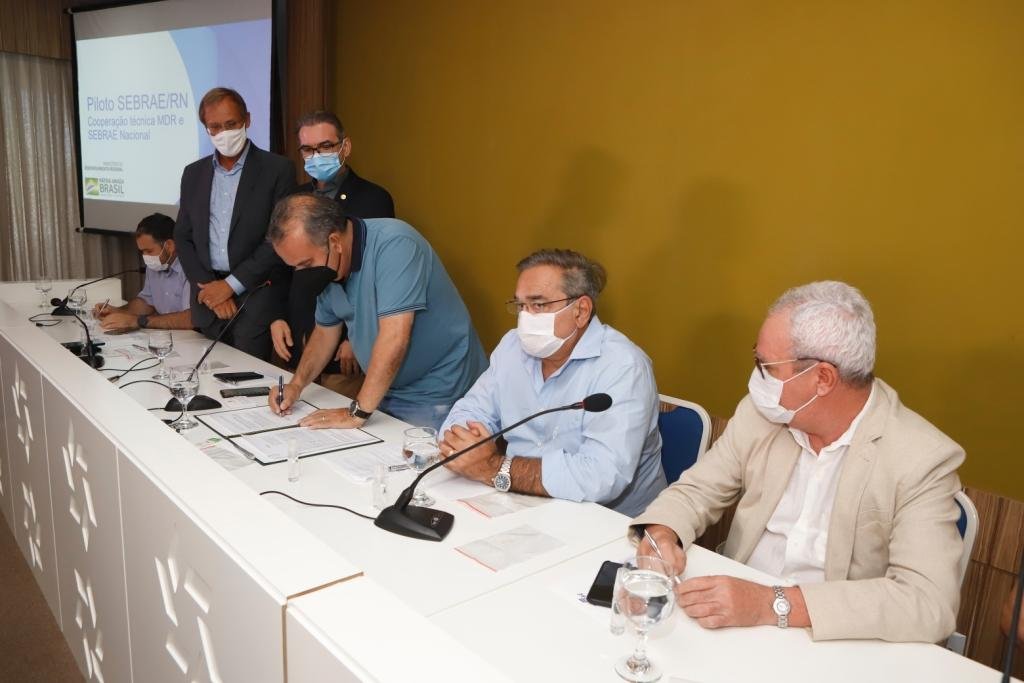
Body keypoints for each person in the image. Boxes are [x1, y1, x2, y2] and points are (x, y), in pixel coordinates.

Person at [632, 281, 965, 643]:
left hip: (830, 640)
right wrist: (663, 533)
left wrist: (770, 603)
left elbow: (927, 602)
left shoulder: (920, 458)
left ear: (822, 378)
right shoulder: (762, 414)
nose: (756, 378)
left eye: (766, 366)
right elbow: (696, 491)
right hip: (732, 624)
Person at [438, 249, 666, 517]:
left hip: (608, 521)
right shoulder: (512, 346)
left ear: (581, 311)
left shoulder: (623, 366)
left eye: (538, 305)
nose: (525, 317)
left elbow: (600, 477)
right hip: (518, 502)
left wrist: (493, 467)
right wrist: (464, 445)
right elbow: (469, 412)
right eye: (521, 305)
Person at [267, 194, 486, 431]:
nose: (301, 273)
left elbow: (395, 336)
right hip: (385, 390)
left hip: (439, 393)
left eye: (306, 264)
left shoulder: (396, 244)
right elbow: (324, 333)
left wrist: (357, 413)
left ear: (335, 242)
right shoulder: (330, 266)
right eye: (295, 267)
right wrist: (296, 385)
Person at [271, 111, 395, 398]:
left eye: (325, 146)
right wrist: (276, 316)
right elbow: (280, 266)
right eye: (308, 149)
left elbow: (376, 276)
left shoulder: (373, 198)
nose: (316, 156)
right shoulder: (292, 201)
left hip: (346, 345)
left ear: (345, 147)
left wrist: (355, 338)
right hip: (300, 332)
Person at [173, 87, 296, 360]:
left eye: (231, 124)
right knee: (206, 376)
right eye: (215, 127)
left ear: (247, 120)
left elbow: (278, 238)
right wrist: (211, 289)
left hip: (256, 296)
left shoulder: (278, 169)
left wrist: (230, 286)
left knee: (248, 378)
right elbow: (183, 236)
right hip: (208, 300)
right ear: (206, 128)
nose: (224, 133)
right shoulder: (193, 173)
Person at [91, 213, 192, 331]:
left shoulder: (191, 268)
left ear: (169, 246)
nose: (145, 257)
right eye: (142, 252)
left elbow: (190, 319)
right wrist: (117, 311)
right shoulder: (155, 266)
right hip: (165, 334)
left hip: (192, 336)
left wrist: (137, 321)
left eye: (149, 251)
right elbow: (146, 303)